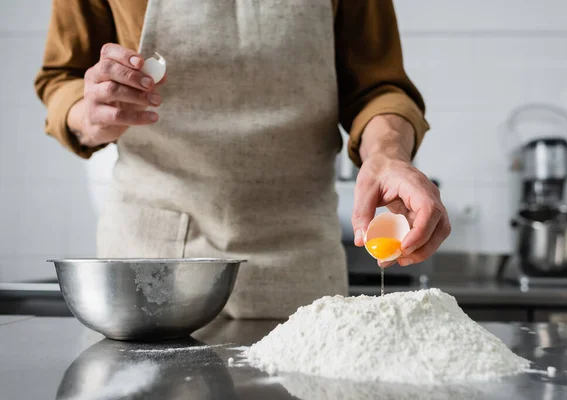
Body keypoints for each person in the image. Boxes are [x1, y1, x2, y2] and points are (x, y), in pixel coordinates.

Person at [35, 0, 450, 318]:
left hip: (299, 258)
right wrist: (89, 114)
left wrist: (389, 154)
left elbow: (377, 87)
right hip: (152, 259)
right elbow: (62, 79)